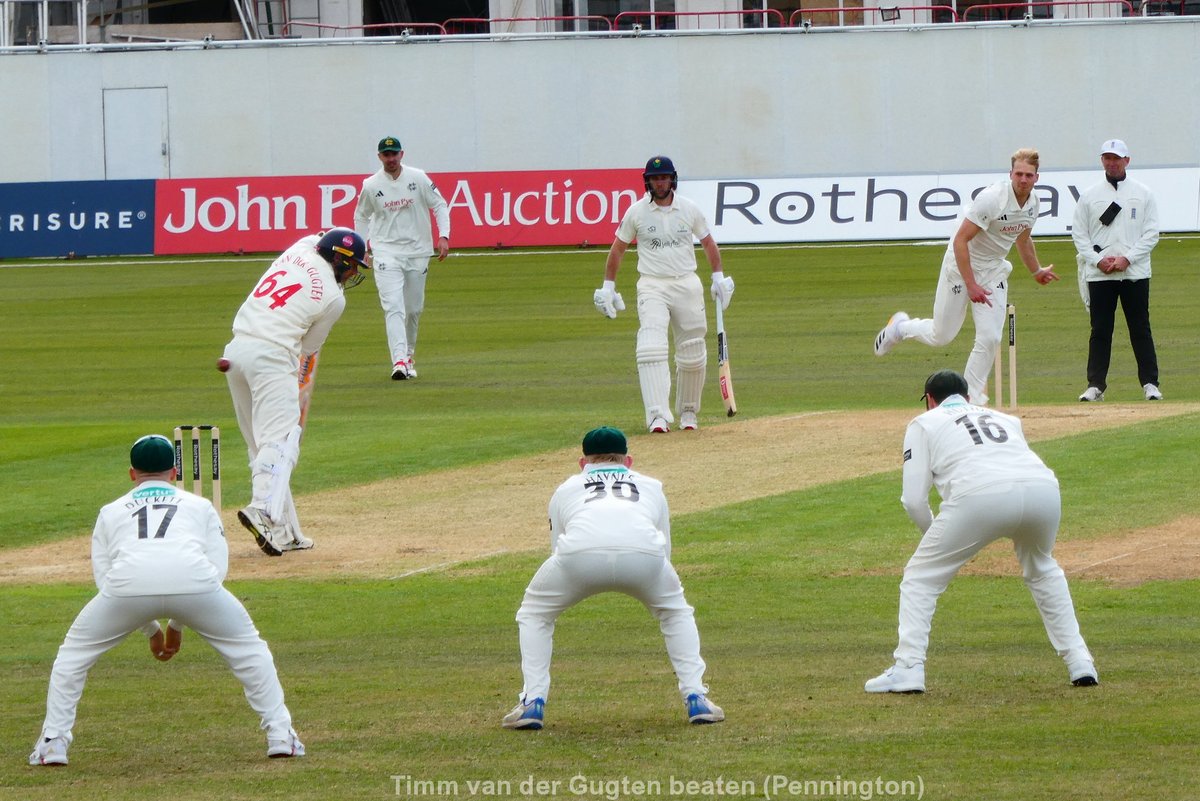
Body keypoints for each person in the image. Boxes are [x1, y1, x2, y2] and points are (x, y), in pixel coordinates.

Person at [29, 435, 304, 766]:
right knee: (250, 651)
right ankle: (280, 736)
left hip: (127, 588)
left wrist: (152, 630)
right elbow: (216, 569)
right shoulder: (200, 505)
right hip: (196, 585)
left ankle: (53, 743)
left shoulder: (110, 511)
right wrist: (177, 622)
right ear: (174, 472)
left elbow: (105, 579)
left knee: (72, 657)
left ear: (132, 474)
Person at [864, 370, 1098, 694]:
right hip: (1043, 490)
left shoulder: (923, 423)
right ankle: (1080, 661)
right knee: (1043, 569)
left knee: (920, 576)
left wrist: (935, 537)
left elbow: (914, 500)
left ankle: (908, 668)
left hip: (980, 495)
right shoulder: (1005, 418)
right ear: (968, 398)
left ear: (929, 401)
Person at [502, 426, 724, 730]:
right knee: (676, 612)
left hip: (578, 556)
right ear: (628, 461)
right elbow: (665, 548)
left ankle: (533, 701)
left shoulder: (567, 487)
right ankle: (696, 696)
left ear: (583, 464)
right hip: (645, 556)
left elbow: (557, 547)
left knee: (535, 612)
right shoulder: (651, 485)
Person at [222, 227, 369, 556]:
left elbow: (317, 235)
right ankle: (262, 509)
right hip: (272, 357)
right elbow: (309, 347)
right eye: (353, 265)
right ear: (340, 262)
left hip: (234, 352)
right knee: (282, 442)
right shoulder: (334, 298)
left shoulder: (299, 248)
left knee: (260, 446)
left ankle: (286, 532)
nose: (355, 272)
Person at [873, 148, 1059, 405]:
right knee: (942, 335)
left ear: (1037, 177)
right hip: (961, 266)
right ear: (1010, 174)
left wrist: (1036, 271)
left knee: (990, 336)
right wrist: (971, 284)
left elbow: (1023, 239)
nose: (1023, 180)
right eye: (1019, 174)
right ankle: (901, 328)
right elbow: (961, 240)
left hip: (993, 269)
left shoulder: (1034, 203)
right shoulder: (992, 198)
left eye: (1029, 175)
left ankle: (969, 398)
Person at [595, 155, 734, 433]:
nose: (660, 182)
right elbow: (618, 249)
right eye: (655, 178)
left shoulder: (689, 208)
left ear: (673, 179)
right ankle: (657, 415)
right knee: (650, 348)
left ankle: (688, 412)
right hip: (652, 284)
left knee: (693, 349)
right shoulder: (636, 212)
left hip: (687, 283)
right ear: (648, 182)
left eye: (664, 177)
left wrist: (718, 276)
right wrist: (608, 286)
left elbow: (708, 243)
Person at [353, 136, 451, 381]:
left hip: (418, 252)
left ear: (401, 154)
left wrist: (444, 235)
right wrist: (360, 246)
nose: (391, 159)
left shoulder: (418, 178)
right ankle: (398, 361)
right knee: (393, 308)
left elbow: (439, 204)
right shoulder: (371, 184)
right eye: (387, 155)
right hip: (386, 253)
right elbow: (361, 216)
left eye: (395, 154)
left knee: (413, 309)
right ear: (380, 157)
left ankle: (408, 355)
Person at [1071, 139, 1162, 402]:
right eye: (1107, 158)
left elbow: (1151, 234)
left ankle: (1150, 383)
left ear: (1127, 161)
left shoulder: (1143, 193)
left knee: (1140, 328)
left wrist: (1127, 259)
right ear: (1102, 161)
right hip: (1100, 274)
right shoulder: (1089, 195)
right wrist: (1098, 260)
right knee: (1100, 329)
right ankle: (1095, 385)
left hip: (1134, 273)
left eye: (1116, 158)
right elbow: (1080, 234)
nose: (1112, 163)